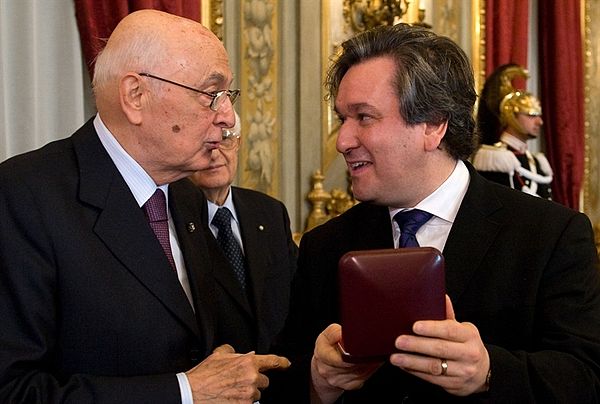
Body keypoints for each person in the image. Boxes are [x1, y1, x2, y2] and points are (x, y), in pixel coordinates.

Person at [275, 23, 600, 403]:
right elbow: (283, 379)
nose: (344, 141)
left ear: (433, 125)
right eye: (342, 119)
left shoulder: (549, 235)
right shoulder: (325, 246)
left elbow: (587, 379)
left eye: (363, 117)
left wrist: (489, 372)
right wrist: (318, 381)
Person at [0, 10, 289, 403]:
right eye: (211, 95)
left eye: (228, 96)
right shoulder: (22, 197)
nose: (228, 117)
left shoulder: (186, 197)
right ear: (136, 96)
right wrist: (183, 392)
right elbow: (14, 390)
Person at [186, 110, 297, 358]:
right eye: (203, 142)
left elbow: (297, 296)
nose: (215, 152)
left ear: (238, 144)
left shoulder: (270, 211)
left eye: (225, 138)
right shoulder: (173, 221)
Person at [472, 64, 553, 199]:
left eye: (539, 115)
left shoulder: (537, 161)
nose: (540, 122)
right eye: (531, 115)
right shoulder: (494, 159)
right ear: (511, 115)